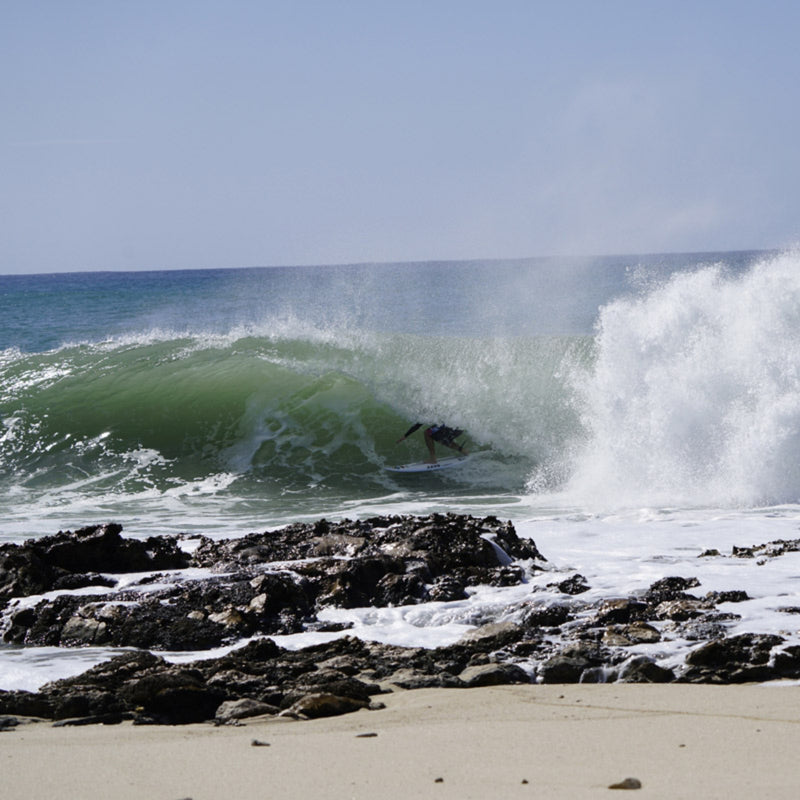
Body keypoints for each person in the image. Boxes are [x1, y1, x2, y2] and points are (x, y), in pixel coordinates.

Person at [396, 423, 468, 463]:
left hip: (450, 428)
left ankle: (433, 458)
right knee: (441, 437)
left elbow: (418, 424)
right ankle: (463, 450)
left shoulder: (429, 405)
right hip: (459, 428)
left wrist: (406, 435)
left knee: (427, 433)